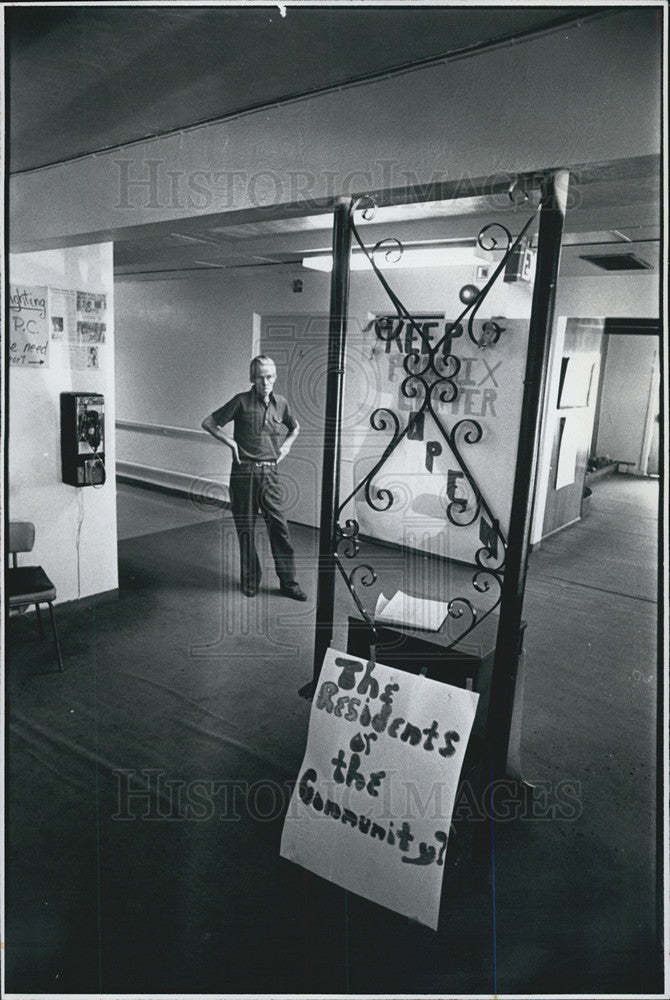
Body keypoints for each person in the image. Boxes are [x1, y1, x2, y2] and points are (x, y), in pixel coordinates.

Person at [202, 355, 307, 601]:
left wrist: (287, 446)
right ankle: (250, 580)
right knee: (246, 529)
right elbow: (209, 422)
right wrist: (231, 443)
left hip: (269, 474)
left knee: (279, 528)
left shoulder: (281, 403)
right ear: (252, 379)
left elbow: (295, 427)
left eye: (269, 377)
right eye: (260, 377)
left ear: (275, 377)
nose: (265, 382)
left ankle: (289, 583)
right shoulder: (240, 402)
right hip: (243, 474)